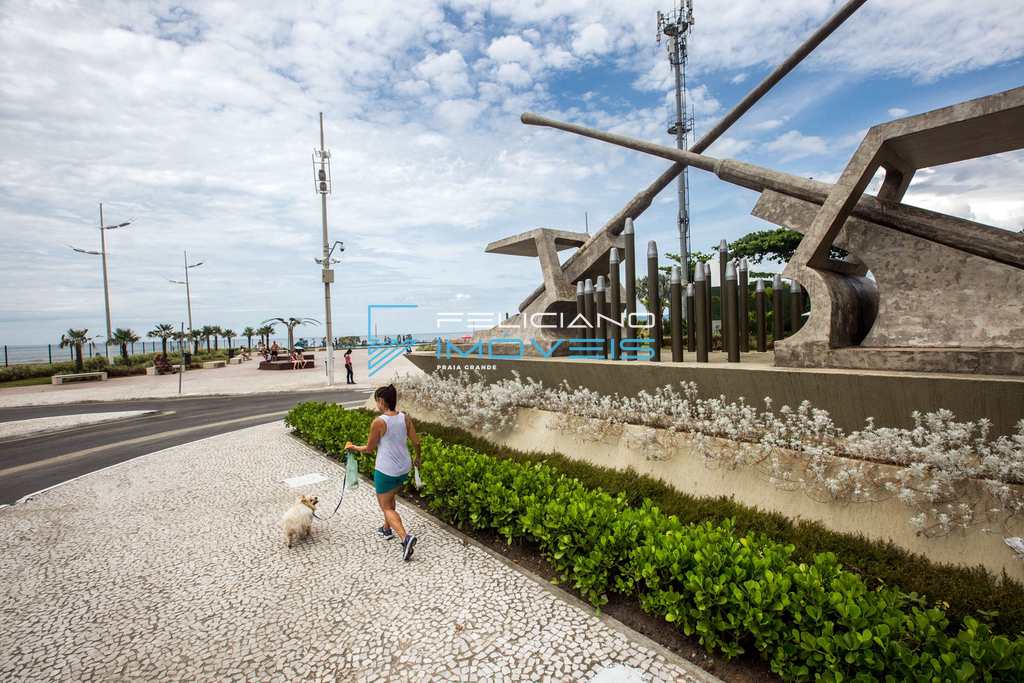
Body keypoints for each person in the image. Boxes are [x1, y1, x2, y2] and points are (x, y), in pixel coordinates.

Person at [345, 384, 420, 561]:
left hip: (386, 470)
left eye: (376, 401)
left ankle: (405, 538)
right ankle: (386, 529)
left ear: (381, 401)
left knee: (386, 507)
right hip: (404, 468)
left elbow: (369, 448)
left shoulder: (379, 422)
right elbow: (417, 442)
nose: (376, 405)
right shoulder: (405, 418)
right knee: (390, 497)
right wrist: (418, 458)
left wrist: (353, 447)